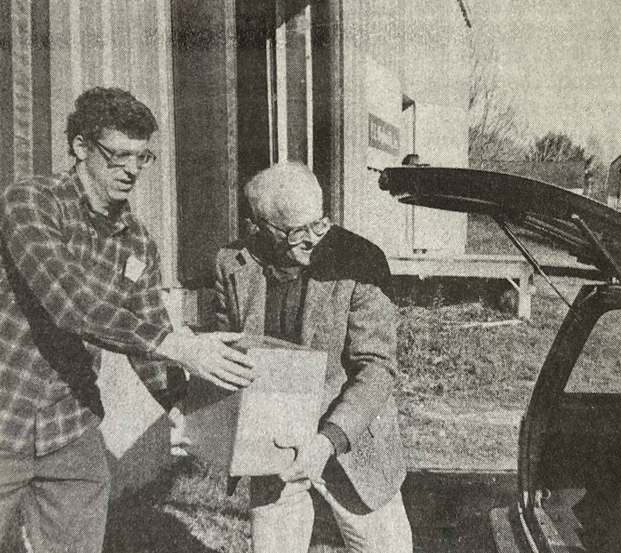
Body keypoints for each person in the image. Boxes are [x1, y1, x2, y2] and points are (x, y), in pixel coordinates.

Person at [0, 87, 255, 552]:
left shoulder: (138, 242)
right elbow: (71, 304)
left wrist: (182, 405)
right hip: (6, 415)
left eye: (142, 157)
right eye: (118, 155)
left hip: (70, 427)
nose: (132, 170)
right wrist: (178, 344)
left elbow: (148, 328)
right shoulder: (30, 203)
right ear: (80, 147)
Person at [213, 162, 412, 552]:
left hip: (348, 444)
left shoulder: (361, 261)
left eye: (318, 224)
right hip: (271, 447)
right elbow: (227, 348)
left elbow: (377, 368)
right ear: (259, 226)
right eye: (296, 232)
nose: (313, 240)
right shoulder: (230, 264)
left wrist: (325, 443)